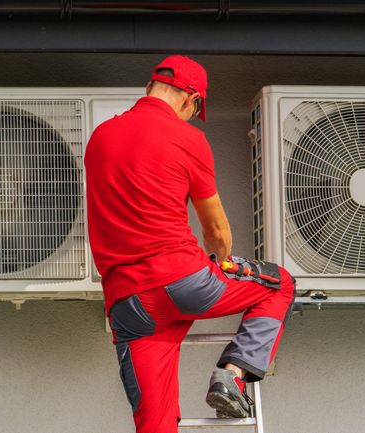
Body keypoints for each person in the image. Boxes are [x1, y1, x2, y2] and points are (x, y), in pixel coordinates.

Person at [84, 55, 295, 433]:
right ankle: (232, 376)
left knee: (154, 422)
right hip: (183, 282)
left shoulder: (100, 136)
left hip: (128, 303)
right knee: (279, 284)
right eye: (195, 108)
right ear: (190, 98)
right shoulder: (188, 138)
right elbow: (215, 228)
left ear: (151, 87)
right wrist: (221, 260)